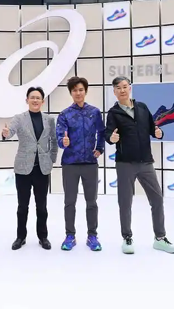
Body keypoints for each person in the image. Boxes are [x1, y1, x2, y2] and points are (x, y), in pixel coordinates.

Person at [105, 76, 174, 255]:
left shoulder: (142, 107)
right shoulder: (113, 113)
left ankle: (160, 238)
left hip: (146, 162)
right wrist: (111, 138)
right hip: (125, 163)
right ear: (114, 92)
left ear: (130, 88)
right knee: (125, 202)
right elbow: (108, 134)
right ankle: (127, 238)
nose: (122, 90)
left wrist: (159, 133)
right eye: (118, 88)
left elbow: (153, 129)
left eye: (125, 86)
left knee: (157, 199)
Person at [2, 86, 58, 250]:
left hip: (42, 168)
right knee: (22, 206)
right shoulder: (19, 118)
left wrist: (51, 159)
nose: (35, 100)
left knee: (42, 206)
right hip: (23, 168)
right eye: (32, 97)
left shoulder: (49, 120)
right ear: (27, 100)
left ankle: (43, 237)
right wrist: (5, 133)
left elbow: (54, 141)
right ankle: (20, 237)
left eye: (38, 98)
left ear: (43, 101)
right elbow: (10, 132)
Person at [55, 76, 105, 251]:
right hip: (70, 163)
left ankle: (92, 236)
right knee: (70, 201)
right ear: (71, 93)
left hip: (90, 163)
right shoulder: (64, 114)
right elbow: (60, 137)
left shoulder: (95, 112)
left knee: (92, 201)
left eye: (81, 90)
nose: (78, 93)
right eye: (75, 90)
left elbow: (102, 132)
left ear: (86, 91)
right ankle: (70, 235)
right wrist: (63, 142)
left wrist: (100, 148)